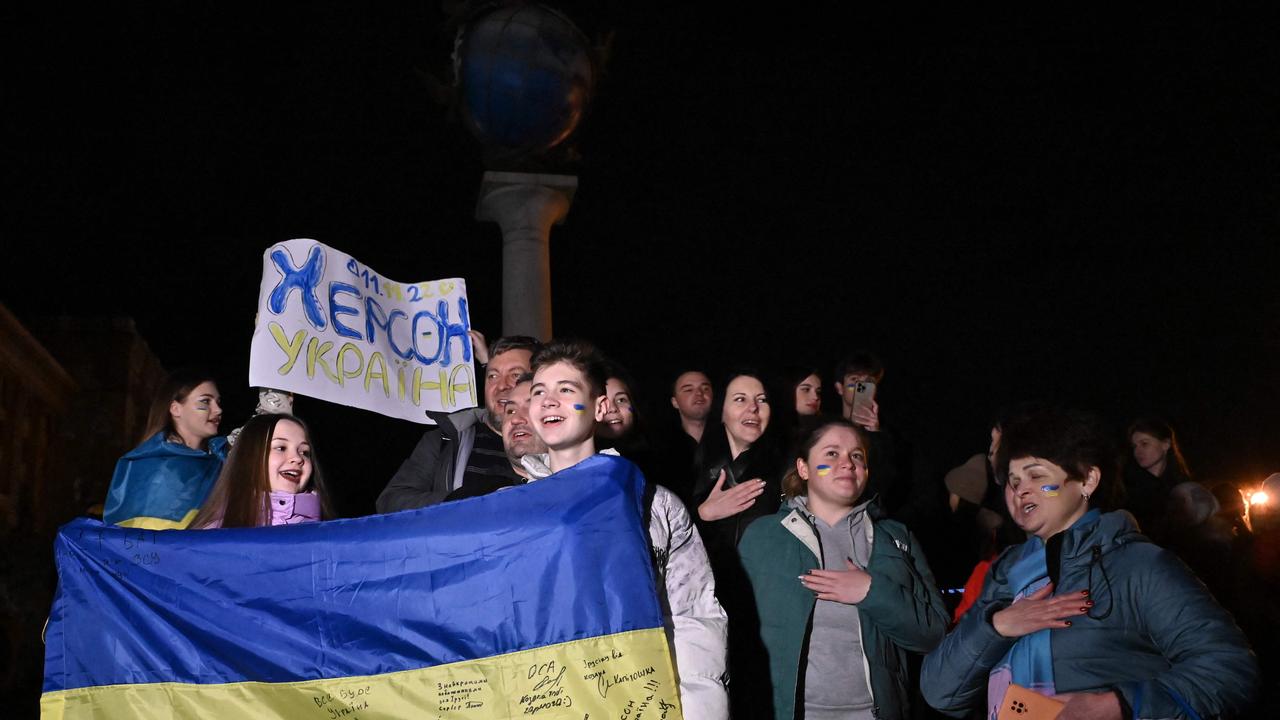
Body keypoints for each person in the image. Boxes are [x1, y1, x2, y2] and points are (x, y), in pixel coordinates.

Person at [921, 407, 1257, 720]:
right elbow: (940, 692)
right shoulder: (1004, 574)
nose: (1021, 491)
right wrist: (995, 627)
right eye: (1014, 480)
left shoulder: (1136, 564)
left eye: (1037, 476)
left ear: (1087, 480)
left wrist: (1117, 705)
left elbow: (1229, 668)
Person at [517, 340, 730, 718]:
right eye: (538, 392)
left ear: (600, 407)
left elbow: (691, 616)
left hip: (633, 698)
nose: (548, 401)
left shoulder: (654, 505)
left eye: (566, 390)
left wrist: (700, 709)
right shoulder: (508, 509)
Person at [740, 419, 948, 719]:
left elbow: (933, 633)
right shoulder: (763, 536)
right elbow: (736, 636)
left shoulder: (895, 537)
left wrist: (871, 591)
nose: (847, 463)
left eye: (857, 456)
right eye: (832, 454)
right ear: (804, 469)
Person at [375, 334, 541, 512]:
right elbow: (390, 502)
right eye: (492, 375)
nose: (501, 385)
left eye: (515, 375)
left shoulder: (555, 439)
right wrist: (459, 502)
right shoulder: (446, 439)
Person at [103, 370, 229, 529]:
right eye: (205, 401)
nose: (218, 410)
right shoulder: (153, 465)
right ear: (175, 409)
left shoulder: (221, 459)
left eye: (218, 402)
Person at [192, 413, 334, 528]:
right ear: (250, 457)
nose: (297, 458)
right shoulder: (209, 538)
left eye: (304, 452)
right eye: (281, 448)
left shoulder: (330, 536)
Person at [1122, 417, 1191, 540]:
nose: (1138, 451)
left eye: (1144, 444)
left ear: (1166, 444)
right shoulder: (1127, 487)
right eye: (1134, 446)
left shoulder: (1183, 486)